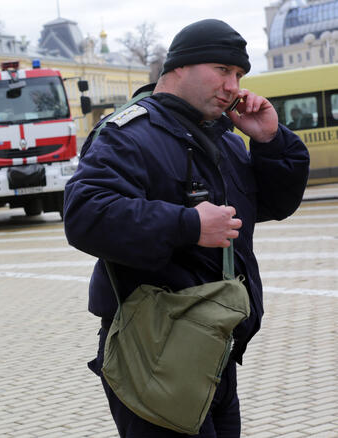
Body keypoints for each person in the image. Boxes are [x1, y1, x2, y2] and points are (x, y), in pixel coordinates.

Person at [63, 19, 310, 437]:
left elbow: (272, 204)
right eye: (223, 71)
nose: (233, 86)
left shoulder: (224, 138)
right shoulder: (129, 134)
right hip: (155, 349)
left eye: (238, 75)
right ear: (180, 66)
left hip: (213, 348)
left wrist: (271, 142)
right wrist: (188, 224)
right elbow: (85, 215)